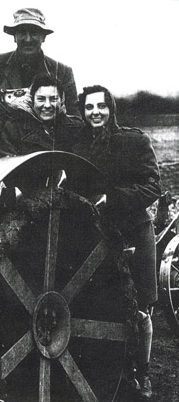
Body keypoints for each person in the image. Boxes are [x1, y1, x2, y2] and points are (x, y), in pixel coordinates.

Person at [73, 85, 161, 400]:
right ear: (82, 112)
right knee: (104, 305)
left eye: (101, 106)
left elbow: (153, 185)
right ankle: (114, 369)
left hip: (134, 231)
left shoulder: (134, 141)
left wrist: (112, 198)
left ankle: (143, 372)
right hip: (98, 237)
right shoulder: (78, 145)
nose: (95, 112)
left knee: (140, 308)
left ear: (111, 109)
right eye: (89, 107)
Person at [0, 8, 79, 117]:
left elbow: (75, 119)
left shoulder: (62, 72)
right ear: (14, 37)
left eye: (34, 33)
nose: (28, 39)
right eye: (22, 33)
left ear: (43, 37)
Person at [0, 73, 84, 156]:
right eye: (41, 99)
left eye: (53, 99)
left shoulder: (77, 127)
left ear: (61, 100)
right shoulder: (14, 130)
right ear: (32, 101)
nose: (47, 105)